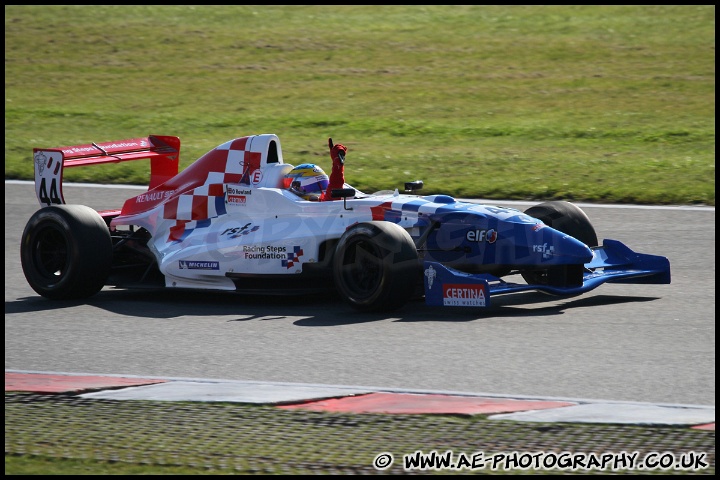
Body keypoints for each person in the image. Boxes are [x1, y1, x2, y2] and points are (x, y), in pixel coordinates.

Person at [283, 138, 348, 201]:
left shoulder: (322, 200)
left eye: (323, 184)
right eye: (312, 187)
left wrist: (337, 165)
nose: (322, 192)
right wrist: (337, 168)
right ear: (296, 187)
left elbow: (331, 194)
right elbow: (330, 197)